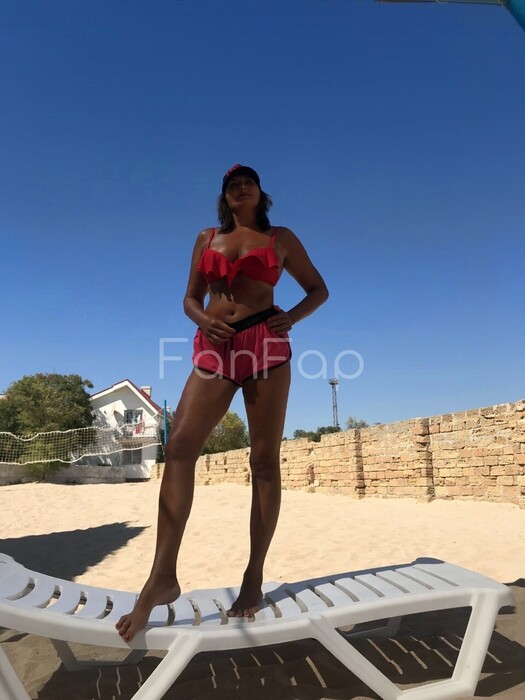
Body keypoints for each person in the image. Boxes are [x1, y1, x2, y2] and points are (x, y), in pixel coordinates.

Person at [116, 164, 328, 641]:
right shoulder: (206, 238)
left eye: (248, 181)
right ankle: (162, 577)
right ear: (225, 196)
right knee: (179, 448)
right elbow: (189, 298)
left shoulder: (280, 238)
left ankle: (253, 576)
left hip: (266, 346)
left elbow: (319, 289)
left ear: (260, 193)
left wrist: (291, 317)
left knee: (264, 461)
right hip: (215, 346)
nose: (241, 187)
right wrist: (202, 320)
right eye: (233, 184)